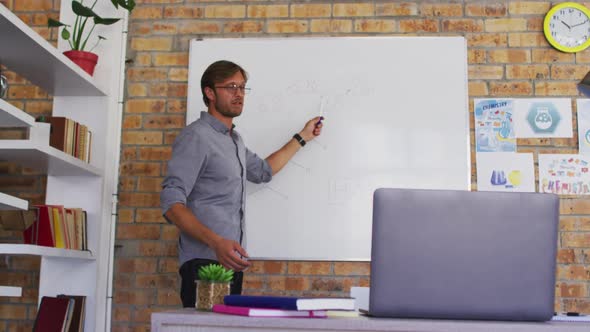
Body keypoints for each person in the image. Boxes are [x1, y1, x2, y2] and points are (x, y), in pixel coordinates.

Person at [160, 60, 323, 308]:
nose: (239, 94)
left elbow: (264, 171)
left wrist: (303, 137)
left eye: (242, 87)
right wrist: (216, 243)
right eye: (231, 87)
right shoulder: (196, 136)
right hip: (204, 262)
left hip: (231, 261)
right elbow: (172, 203)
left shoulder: (234, 140)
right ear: (210, 92)